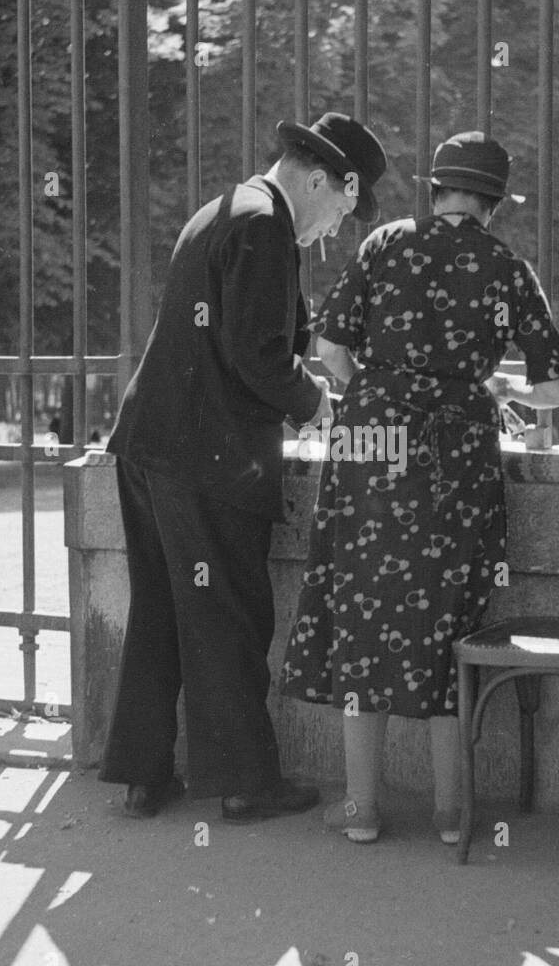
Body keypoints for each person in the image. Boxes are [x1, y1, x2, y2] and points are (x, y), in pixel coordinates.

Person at [280, 131, 559, 844]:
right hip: (459, 459)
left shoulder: (384, 244)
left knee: (361, 616)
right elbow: (558, 390)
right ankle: (451, 814)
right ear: (494, 203)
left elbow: (329, 351)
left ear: (434, 187)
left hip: (370, 453)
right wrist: (493, 384)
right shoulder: (506, 266)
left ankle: (361, 811)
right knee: (452, 623)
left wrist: (377, 393)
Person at [101, 111, 388, 823]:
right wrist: (316, 403)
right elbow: (256, 356)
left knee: (161, 612)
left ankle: (144, 776)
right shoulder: (265, 228)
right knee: (230, 616)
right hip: (208, 456)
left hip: (149, 444)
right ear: (320, 179)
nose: (334, 231)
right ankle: (244, 784)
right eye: (343, 210)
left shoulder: (223, 208)